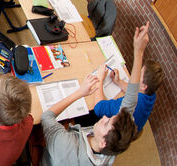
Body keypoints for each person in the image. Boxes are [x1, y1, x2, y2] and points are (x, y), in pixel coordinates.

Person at [41, 22, 151, 165]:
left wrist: (80, 92)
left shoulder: (67, 145)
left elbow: (47, 116)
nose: (105, 117)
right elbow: (131, 96)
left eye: (106, 123)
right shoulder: (114, 145)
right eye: (110, 118)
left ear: (104, 142)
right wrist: (139, 52)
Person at [93, 56, 163, 133]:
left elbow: (98, 108)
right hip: (133, 127)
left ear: (144, 86)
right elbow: (134, 91)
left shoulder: (128, 106)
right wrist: (119, 82)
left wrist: (99, 79)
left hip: (117, 132)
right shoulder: (151, 93)